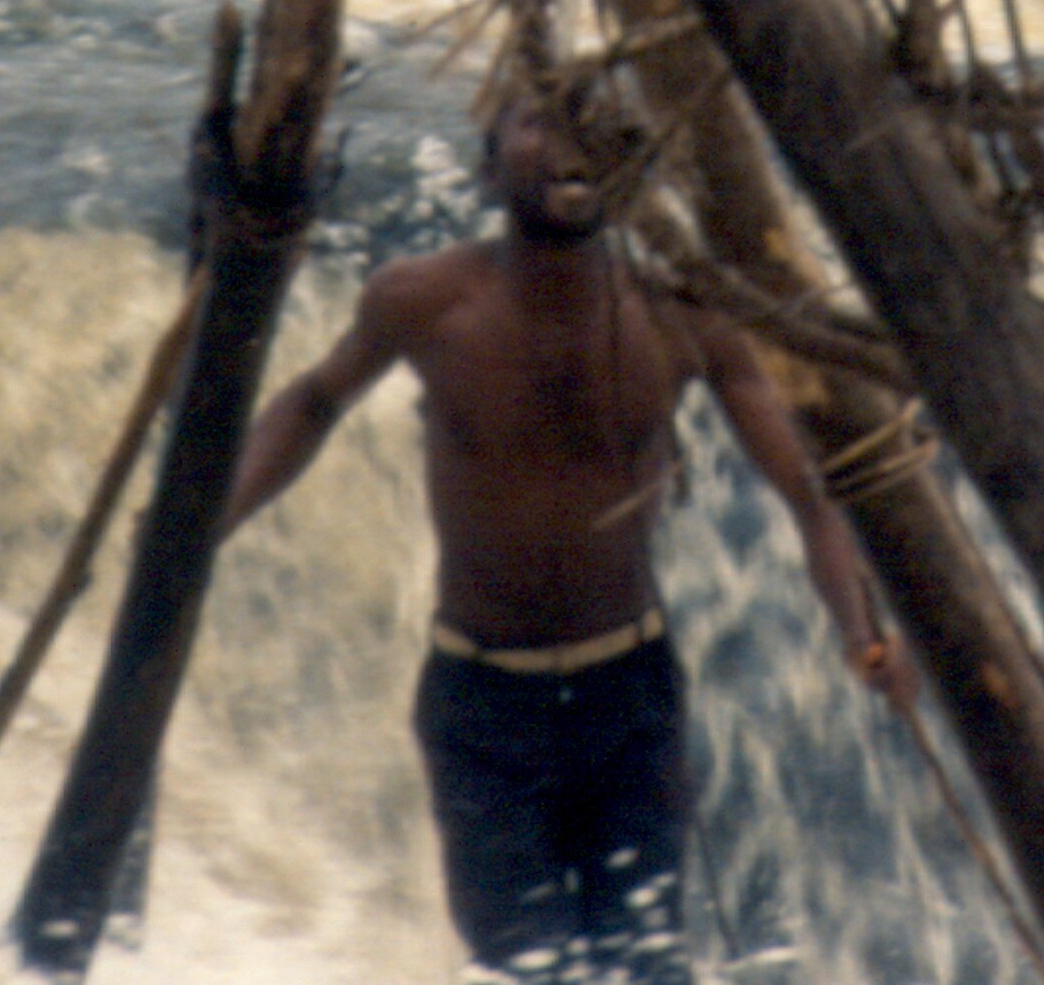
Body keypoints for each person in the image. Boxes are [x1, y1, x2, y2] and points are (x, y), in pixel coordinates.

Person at [222, 85, 916, 981]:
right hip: (482, 707)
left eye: (590, 125)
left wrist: (863, 632)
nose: (567, 146)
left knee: (646, 965)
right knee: (523, 970)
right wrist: (204, 525)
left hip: (628, 702)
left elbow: (812, 496)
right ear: (485, 167)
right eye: (537, 122)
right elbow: (314, 403)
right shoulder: (424, 302)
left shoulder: (684, 316)